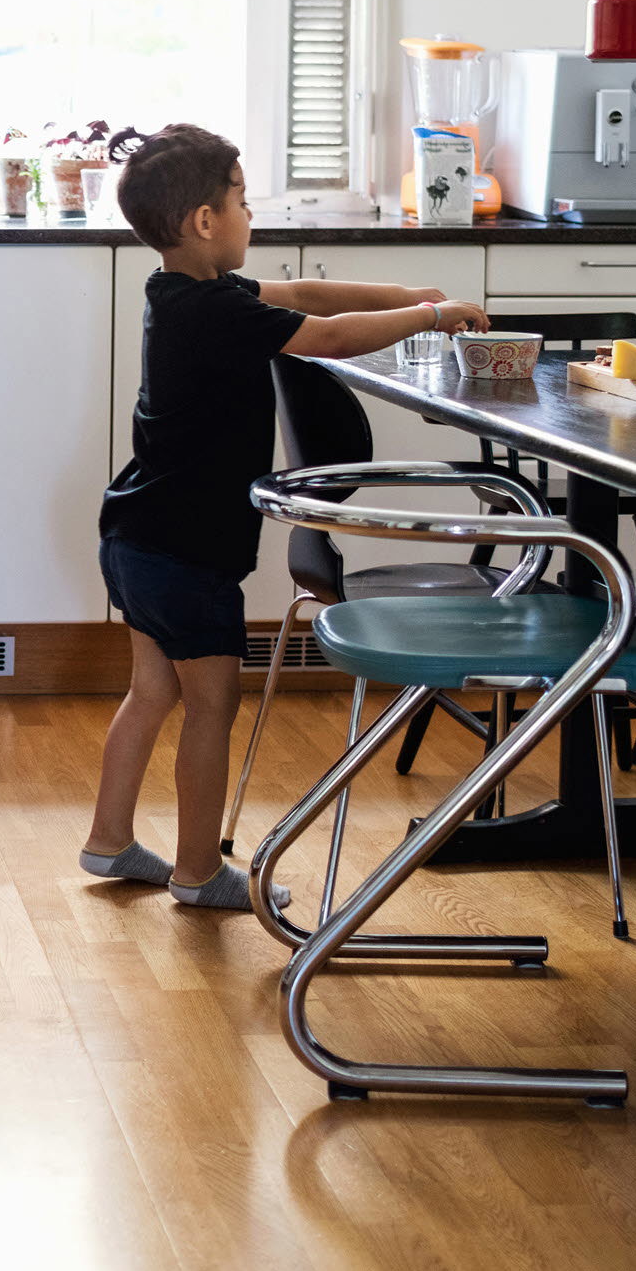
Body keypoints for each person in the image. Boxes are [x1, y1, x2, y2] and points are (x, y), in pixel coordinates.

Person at [81, 124, 489, 908]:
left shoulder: (187, 295)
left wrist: (413, 298)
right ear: (206, 220)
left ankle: (108, 840)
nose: (250, 216)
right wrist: (431, 322)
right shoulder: (215, 313)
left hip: (138, 532)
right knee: (211, 706)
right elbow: (326, 335)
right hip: (184, 550)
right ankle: (199, 871)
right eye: (241, 201)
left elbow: (307, 296)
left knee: (153, 693)